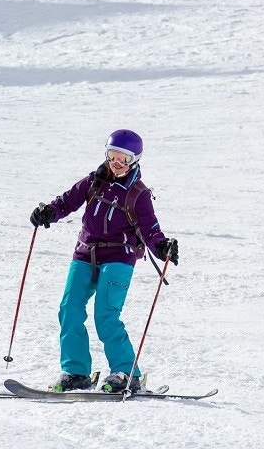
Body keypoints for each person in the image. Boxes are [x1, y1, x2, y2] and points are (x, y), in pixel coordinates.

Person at [29, 129, 178, 393]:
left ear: (135, 160)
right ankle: (76, 372)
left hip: (120, 257)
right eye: (112, 155)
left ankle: (125, 372)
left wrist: (162, 246)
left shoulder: (138, 194)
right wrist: (48, 212)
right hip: (85, 253)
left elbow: (150, 229)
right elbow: (67, 201)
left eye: (124, 158)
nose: (116, 163)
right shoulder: (94, 181)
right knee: (69, 309)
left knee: (106, 315)